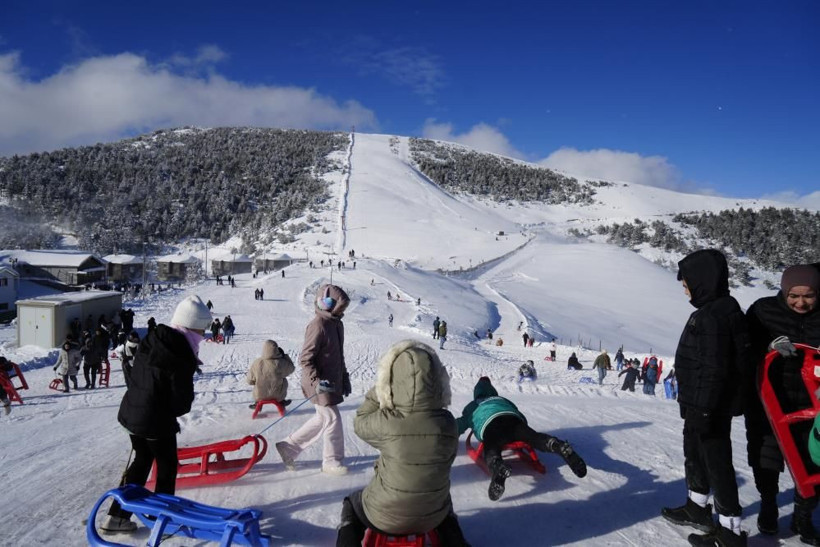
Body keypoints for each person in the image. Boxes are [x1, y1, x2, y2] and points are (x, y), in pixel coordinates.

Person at [336, 340, 470, 546]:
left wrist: (380, 390)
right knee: (445, 502)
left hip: (383, 516)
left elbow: (360, 421)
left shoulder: (388, 421)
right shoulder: (448, 422)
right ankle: (456, 542)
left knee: (351, 504)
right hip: (432, 516)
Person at [661, 249, 750, 547]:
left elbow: (714, 368)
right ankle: (697, 507)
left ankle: (730, 532)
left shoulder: (714, 316)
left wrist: (703, 409)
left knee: (717, 463)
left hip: (709, 406)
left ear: (703, 281)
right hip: (700, 404)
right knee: (695, 455)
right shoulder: (718, 309)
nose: (685, 290)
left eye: (687, 284)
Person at [101, 295, 211, 533]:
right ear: (193, 326)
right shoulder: (181, 352)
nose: (203, 335)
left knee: (142, 460)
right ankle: (162, 517)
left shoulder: (154, 339)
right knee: (167, 467)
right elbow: (181, 404)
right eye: (202, 329)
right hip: (155, 419)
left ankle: (116, 517)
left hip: (132, 412)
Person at [744, 264, 820, 542]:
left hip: (812, 402)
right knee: (767, 456)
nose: (801, 303)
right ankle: (768, 505)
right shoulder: (764, 311)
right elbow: (744, 346)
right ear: (784, 291)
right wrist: (768, 347)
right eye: (794, 296)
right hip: (770, 401)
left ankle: (803, 516)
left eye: (809, 296)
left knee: (813, 460)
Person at [457, 377, 587, 501]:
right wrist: (523, 425)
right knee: (534, 437)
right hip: (513, 420)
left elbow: (461, 424)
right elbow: (517, 411)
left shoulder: (472, 405)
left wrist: (451, 433)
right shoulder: (501, 399)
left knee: (491, 446)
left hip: (491, 425)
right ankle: (556, 444)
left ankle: (497, 466)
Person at [276, 284, 352, 474]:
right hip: (317, 383)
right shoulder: (318, 325)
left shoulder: (337, 325)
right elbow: (305, 359)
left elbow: (338, 356)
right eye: (340, 306)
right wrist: (316, 382)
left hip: (331, 383)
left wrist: (344, 378)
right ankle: (331, 461)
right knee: (332, 417)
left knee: (322, 418)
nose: (341, 310)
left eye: (344, 307)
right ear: (328, 304)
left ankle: (288, 447)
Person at [247, 340, 294, 408]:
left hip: (259, 395)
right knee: (283, 379)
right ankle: (281, 401)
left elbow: (249, 381)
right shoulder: (281, 362)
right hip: (278, 395)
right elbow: (291, 368)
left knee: (258, 381)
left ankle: (257, 404)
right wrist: (284, 356)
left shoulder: (257, 362)